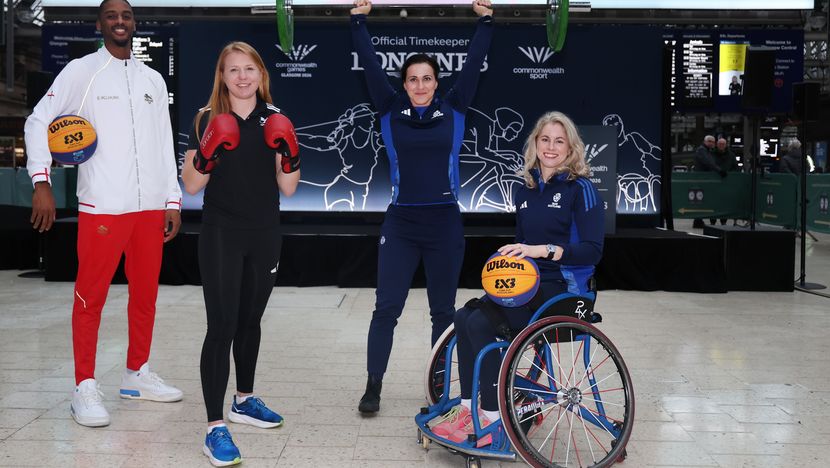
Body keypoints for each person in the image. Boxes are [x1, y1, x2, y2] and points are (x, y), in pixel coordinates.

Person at [24, 0, 183, 428]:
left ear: (134, 24)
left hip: (150, 208)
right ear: (99, 25)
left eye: (126, 16)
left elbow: (164, 142)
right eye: (111, 16)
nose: (119, 21)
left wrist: (171, 199)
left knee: (145, 295)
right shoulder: (82, 71)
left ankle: (136, 374)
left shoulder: (151, 79)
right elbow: (38, 121)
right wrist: (41, 180)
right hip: (103, 207)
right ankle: (84, 386)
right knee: (89, 297)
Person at [350, 0, 494, 414]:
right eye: (412, 79)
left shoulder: (455, 108)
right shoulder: (389, 108)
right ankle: (373, 385)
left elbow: (474, 64)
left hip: (444, 222)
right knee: (386, 308)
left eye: (426, 78)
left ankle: (438, 387)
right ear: (404, 83)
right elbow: (370, 64)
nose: (419, 85)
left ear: (436, 82)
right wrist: (358, 22)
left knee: (443, 312)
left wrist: (486, 22)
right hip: (402, 222)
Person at [430, 111, 604, 445]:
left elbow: (592, 251)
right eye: (545, 139)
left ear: (571, 148)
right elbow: (522, 245)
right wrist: (510, 259)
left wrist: (542, 250)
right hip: (532, 283)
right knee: (464, 317)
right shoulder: (525, 189)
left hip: (568, 290)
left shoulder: (581, 189)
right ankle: (468, 408)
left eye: (559, 141)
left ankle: (493, 417)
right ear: (535, 144)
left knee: (481, 324)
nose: (551, 147)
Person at [180, 41, 301, 467]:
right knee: (222, 325)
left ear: (261, 74)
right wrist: (208, 151)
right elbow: (191, 185)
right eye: (233, 69)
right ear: (222, 76)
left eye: (249, 69)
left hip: (265, 232)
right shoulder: (205, 118)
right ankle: (215, 427)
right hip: (222, 233)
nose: (242, 77)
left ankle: (244, 400)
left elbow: (289, 188)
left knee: (251, 320)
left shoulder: (277, 118)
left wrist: (290, 152)